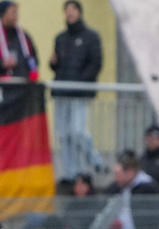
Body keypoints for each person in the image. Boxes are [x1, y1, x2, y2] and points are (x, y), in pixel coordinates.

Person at [50, 0, 104, 183]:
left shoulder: (91, 37)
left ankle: (95, 159)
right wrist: (53, 63)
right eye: (67, 11)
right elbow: (57, 66)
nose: (70, 14)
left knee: (77, 131)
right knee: (64, 135)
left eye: (73, 10)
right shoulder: (60, 38)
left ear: (80, 12)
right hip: (62, 93)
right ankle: (70, 172)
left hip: (79, 93)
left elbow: (95, 63)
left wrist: (81, 82)